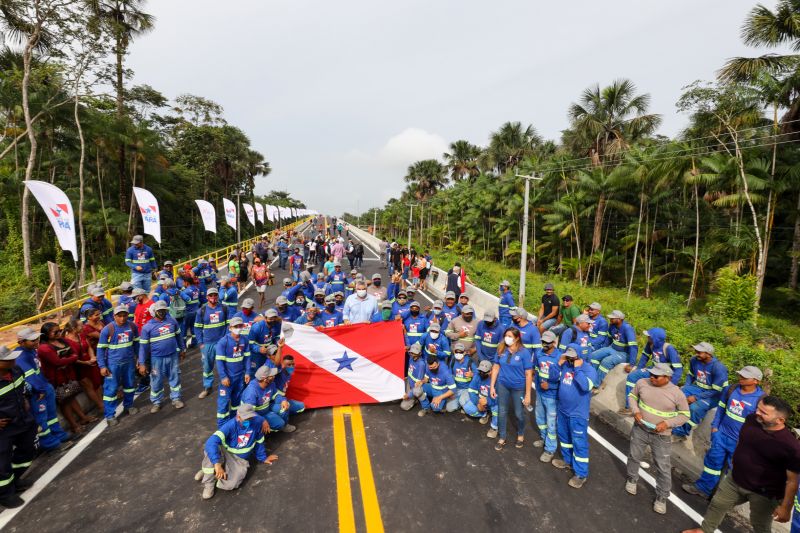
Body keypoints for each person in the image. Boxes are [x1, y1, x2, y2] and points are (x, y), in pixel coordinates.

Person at [682, 396, 800, 533]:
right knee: (718, 504)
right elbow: (742, 439)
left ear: (780, 420)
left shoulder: (790, 447)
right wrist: (736, 458)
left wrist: (785, 508)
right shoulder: (751, 420)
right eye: (758, 408)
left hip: (765, 494)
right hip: (735, 479)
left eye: (763, 412)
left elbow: (792, 481)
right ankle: (704, 530)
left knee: (760, 524)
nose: (757, 413)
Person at [683, 366, 765, 499]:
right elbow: (721, 409)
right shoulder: (731, 389)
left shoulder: (760, 400)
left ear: (756, 381)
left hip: (740, 443)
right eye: (740, 375)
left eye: (745, 377)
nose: (741, 378)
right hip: (721, 436)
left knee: (733, 472)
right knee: (712, 464)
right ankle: (703, 489)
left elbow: (760, 425)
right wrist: (715, 428)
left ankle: (721, 498)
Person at [625, 363, 690, 514]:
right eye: (651, 374)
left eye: (656, 376)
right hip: (640, 429)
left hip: (661, 436)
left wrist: (667, 423)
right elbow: (632, 397)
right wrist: (635, 411)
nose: (652, 378)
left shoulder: (677, 393)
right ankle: (632, 479)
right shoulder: (642, 382)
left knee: (663, 467)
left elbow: (685, 415)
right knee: (634, 456)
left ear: (667, 377)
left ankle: (661, 497)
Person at [195, 403, 277, 500]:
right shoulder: (230, 425)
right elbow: (211, 441)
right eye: (246, 419)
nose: (249, 421)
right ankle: (209, 482)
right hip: (226, 453)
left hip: (240, 460)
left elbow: (259, 441)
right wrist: (217, 464)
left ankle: (211, 472)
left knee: (232, 484)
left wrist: (263, 458)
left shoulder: (257, 422)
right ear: (238, 417)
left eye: (250, 418)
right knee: (212, 450)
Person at [13, 328, 73, 451]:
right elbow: (30, 377)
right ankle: (50, 444)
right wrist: (40, 390)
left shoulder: (31, 351)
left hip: (45, 387)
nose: (36, 342)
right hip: (37, 392)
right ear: (21, 342)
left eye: (36, 339)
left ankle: (59, 435)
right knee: (41, 419)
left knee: (51, 415)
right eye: (32, 340)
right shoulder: (20, 356)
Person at [550, 344, 597, 489]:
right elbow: (552, 377)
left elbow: (585, 386)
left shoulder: (589, 370)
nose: (570, 358)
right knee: (564, 438)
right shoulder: (565, 365)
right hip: (563, 410)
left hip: (578, 414)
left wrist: (577, 369)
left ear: (579, 356)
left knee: (579, 443)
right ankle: (568, 460)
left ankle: (581, 474)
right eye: (568, 355)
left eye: (572, 356)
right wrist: (558, 363)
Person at [37, 322, 96, 434]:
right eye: (56, 332)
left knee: (71, 397)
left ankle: (83, 417)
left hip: (68, 374)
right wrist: (71, 358)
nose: (59, 333)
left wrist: (70, 358)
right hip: (56, 378)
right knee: (65, 401)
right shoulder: (44, 348)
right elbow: (57, 362)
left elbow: (73, 353)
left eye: (59, 330)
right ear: (46, 334)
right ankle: (74, 425)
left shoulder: (61, 341)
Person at [0, 346, 37, 508]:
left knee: (29, 449)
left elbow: (22, 389)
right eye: (7, 359)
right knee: (2, 463)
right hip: (4, 428)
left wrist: (25, 399)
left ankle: (15, 479)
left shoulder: (15, 370)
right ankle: (5, 494)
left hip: (23, 419)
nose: (13, 360)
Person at [672, 342, 729, 439]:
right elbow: (691, 375)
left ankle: (682, 431)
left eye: (699, 352)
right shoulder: (694, 360)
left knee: (695, 408)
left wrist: (695, 397)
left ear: (708, 354)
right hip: (698, 389)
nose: (696, 353)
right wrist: (686, 387)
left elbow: (716, 391)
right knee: (676, 395)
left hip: (714, 395)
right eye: (696, 351)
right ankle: (672, 420)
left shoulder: (718, 367)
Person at [138, 300, 186, 413]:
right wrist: (142, 363)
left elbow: (179, 336)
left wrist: (182, 349)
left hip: (172, 356)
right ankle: (156, 402)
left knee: (175, 377)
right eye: (159, 311)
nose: (162, 312)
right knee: (156, 381)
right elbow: (143, 347)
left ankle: (176, 398)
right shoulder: (147, 327)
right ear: (155, 311)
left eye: (164, 310)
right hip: (156, 359)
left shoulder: (172, 321)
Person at [488, 327, 532, 450]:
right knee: (502, 412)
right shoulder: (501, 349)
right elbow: (496, 368)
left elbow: (528, 373)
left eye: (510, 336)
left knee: (519, 413)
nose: (507, 338)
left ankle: (521, 434)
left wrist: (528, 394)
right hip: (502, 385)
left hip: (518, 387)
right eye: (506, 335)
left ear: (517, 338)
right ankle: (502, 437)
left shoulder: (524, 352)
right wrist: (492, 386)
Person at [96, 306, 140, 426]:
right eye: (119, 316)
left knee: (130, 385)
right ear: (114, 316)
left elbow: (137, 344)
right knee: (111, 389)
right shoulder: (108, 329)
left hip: (129, 362)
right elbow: (100, 349)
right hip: (113, 364)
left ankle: (129, 405)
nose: (122, 318)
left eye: (124, 315)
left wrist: (140, 359)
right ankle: (110, 415)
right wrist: (102, 366)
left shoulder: (132, 326)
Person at [619, 327, 683, 407]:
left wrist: (671, 384)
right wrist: (638, 369)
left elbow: (678, 369)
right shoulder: (650, 344)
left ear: (655, 338)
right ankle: (630, 406)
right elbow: (644, 357)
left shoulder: (669, 349)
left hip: (664, 374)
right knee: (632, 376)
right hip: (653, 369)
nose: (647, 337)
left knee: (655, 389)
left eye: (649, 336)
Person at [215, 317, 251, 427]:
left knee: (237, 402)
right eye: (236, 327)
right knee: (223, 404)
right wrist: (223, 377)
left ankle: (235, 423)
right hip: (228, 379)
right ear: (230, 328)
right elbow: (219, 361)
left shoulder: (244, 340)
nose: (239, 328)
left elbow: (247, 357)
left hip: (240, 378)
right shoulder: (223, 342)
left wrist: (248, 372)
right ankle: (222, 428)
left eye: (240, 326)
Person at [194, 287, 228, 399]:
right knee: (207, 367)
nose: (213, 297)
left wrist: (226, 339)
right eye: (211, 295)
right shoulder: (202, 311)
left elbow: (228, 325)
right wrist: (201, 343)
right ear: (207, 297)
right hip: (207, 344)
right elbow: (197, 328)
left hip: (221, 343)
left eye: (215, 295)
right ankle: (207, 387)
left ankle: (227, 385)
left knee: (224, 365)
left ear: (218, 296)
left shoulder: (224, 308)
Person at [532, 330, 561, 463]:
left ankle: (550, 449)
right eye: (543, 341)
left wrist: (550, 385)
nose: (544, 344)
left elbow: (562, 379)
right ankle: (544, 438)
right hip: (540, 392)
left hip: (552, 396)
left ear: (554, 343)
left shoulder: (560, 358)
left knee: (551, 423)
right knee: (540, 418)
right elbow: (536, 369)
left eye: (547, 343)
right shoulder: (539, 353)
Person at [592, 310, 638, 386]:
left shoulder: (627, 328)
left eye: (613, 318)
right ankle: (593, 377)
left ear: (619, 319)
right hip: (613, 348)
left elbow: (633, 346)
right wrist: (603, 349)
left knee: (606, 361)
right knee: (594, 355)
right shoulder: (612, 326)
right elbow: (608, 339)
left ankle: (595, 385)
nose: (610, 319)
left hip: (624, 353)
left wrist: (631, 363)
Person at [241, 365, 286, 431]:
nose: (274, 376)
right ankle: (260, 432)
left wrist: (283, 400)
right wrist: (262, 420)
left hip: (266, 410)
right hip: (254, 415)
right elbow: (249, 412)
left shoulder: (271, 384)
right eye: (271, 375)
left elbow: (276, 395)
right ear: (265, 379)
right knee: (255, 424)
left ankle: (270, 427)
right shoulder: (251, 392)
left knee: (283, 411)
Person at [78, 309, 105, 413]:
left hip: (101, 352)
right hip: (94, 355)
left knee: (99, 379)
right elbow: (103, 336)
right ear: (89, 317)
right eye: (96, 315)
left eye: (99, 314)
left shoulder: (100, 323)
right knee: (96, 380)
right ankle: (101, 404)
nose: (99, 316)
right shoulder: (86, 328)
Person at [461, 359, 497, 432]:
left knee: (498, 410)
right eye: (480, 371)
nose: (481, 373)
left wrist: (487, 402)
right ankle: (484, 414)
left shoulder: (496, 380)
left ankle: (494, 427)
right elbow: (471, 390)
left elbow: (499, 398)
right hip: (480, 400)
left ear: (490, 371)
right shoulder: (477, 376)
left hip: (493, 402)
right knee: (467, 408)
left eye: (484, 372)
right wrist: (478, 403)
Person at [271, 355, 302, 432]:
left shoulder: (288, 374)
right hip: (273, 400)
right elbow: (275, 365)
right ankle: (284, 425)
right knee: (284, 408)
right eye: (288, 365)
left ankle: (281, 414)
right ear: (283, 364)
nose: (291, 366)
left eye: (293, 364)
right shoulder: (278, 373)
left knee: (301, 406)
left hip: (281, 398)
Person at [400, 343, 427, 411]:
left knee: (404, 406)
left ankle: (415, 399)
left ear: (420, 353)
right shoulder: (411, 358)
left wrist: (409, 395)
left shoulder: (421, 364)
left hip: (415, 387)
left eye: (415, 353)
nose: (413, 355)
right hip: (409, 382)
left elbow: (418, 384)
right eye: (411, 353)